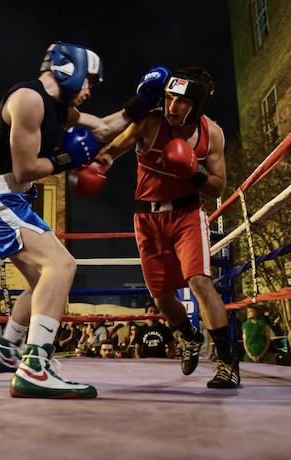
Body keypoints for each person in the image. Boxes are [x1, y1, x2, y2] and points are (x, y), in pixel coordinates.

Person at [0, 41, 152, 398]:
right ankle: (34, 368)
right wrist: (68, 158)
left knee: (43, 281)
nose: (90, 90)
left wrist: (138, 104)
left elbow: (102, 128)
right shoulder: (28, 100)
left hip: (10, 193)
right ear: (71, 69)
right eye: (89, 81)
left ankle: (8, 350)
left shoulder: (58, 108)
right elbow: (25, 168)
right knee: (62, 265)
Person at [95, 66, 240, 388]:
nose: (172, 107)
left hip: (187, 215)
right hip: (147, 218)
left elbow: (218, 186)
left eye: (182, 101)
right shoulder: (149, 121)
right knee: (161, 296)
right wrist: (97, 167)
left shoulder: (212, 134)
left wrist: (193, 171)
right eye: (170, 97)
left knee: (199, 281)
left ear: (197, 105)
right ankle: (188, 335)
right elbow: (112, 149)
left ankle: (227, 362)